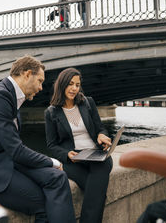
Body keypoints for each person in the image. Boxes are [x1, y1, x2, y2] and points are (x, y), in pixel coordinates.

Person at [0, 55, 76, 223]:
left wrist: (51, 165)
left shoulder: (10, 96)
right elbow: (16, 150)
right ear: (27, 74)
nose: (41, 88)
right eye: (39, 81)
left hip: (0, 158)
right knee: (43, 202)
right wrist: (53, 161)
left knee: (57, 178)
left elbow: (13, 147)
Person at [44, 67, 113, 223]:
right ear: (61, 85)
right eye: (70, 84)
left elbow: (100, 128)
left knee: (103, 165)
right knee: (97, 192)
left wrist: (102, 135)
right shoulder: (51, 113)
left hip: (95, 153)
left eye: (77, 84)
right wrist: (66, 155)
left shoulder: (88, 103)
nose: (74, 88)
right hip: (73, 158)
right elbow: (52, 145)